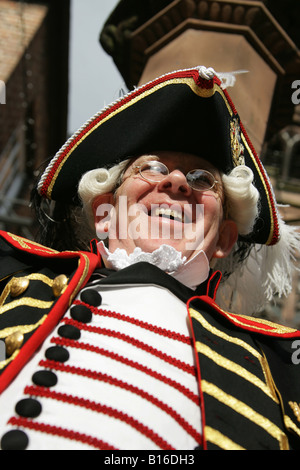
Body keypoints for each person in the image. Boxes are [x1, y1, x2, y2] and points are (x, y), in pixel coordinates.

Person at [0, 66, 299, 451]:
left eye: (202, 179)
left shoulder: (277, 366)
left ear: (224, 238)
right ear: (104, 214)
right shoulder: (9, 272)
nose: (175, 182)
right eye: (151, 167)